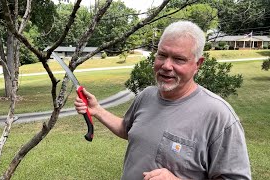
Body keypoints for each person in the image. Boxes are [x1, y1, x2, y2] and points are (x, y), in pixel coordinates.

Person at [74, 21, 251, 180]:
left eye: (179, 59)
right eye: (162, 55)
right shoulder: (147, 95)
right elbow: (128, 130)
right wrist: (97, 110)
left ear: (198, 64)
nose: (166, 66)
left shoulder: (218, 115)